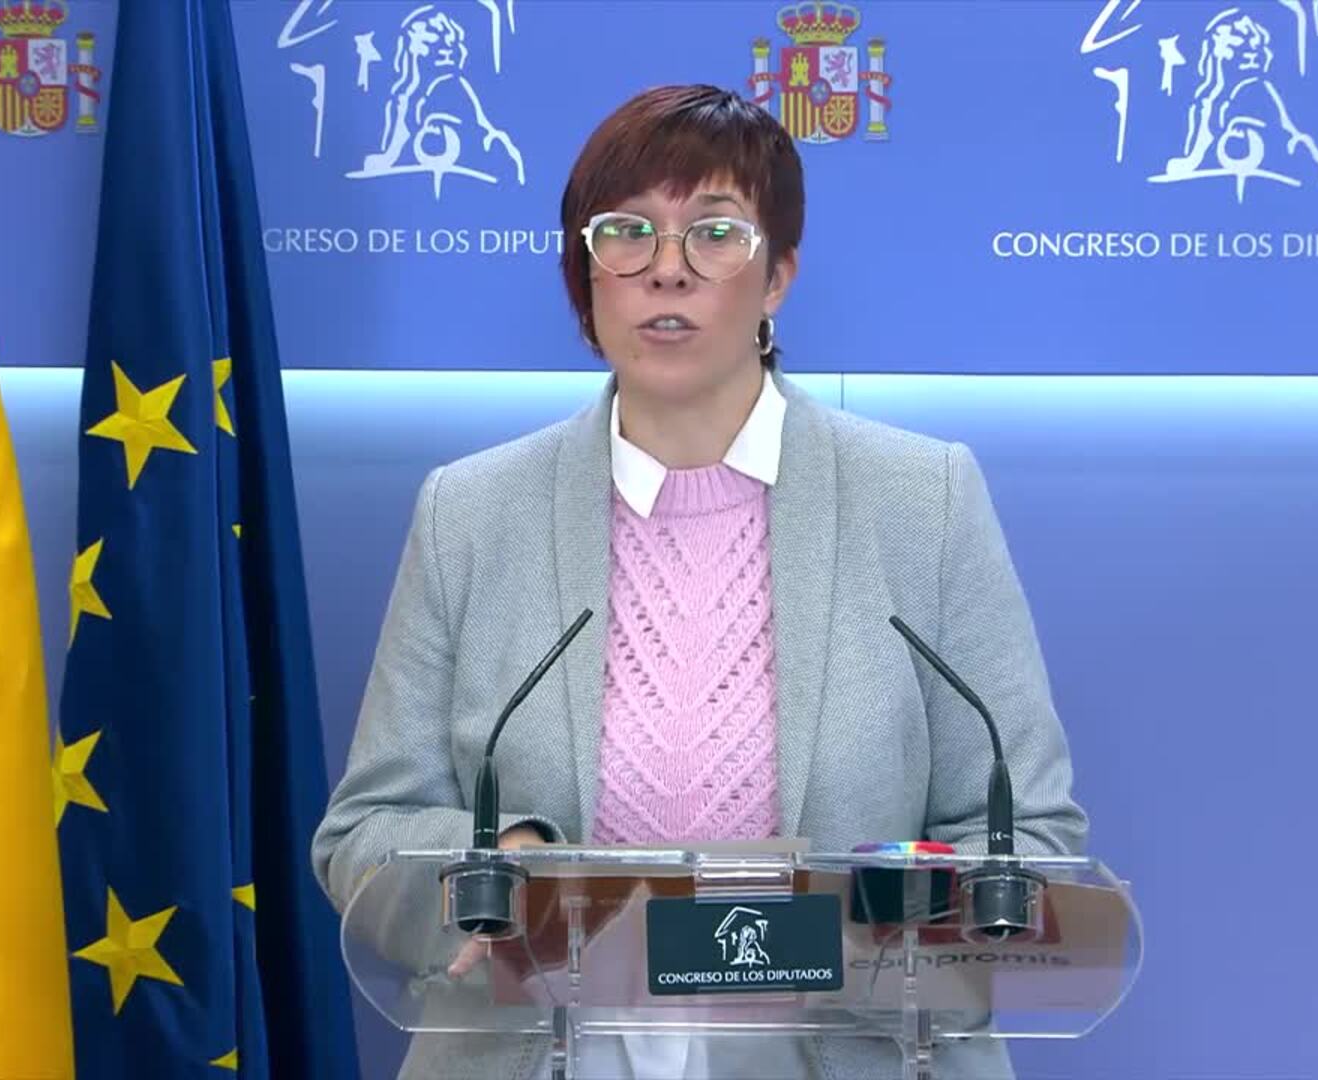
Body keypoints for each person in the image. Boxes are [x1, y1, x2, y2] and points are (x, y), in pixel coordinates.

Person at [312, 84, 1088, 1079]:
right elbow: (366, 831)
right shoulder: (471, 512)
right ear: (585, 276)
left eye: (715, 234)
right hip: (547, 1050)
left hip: (842, 1051)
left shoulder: (923, 499)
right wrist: (502, 856)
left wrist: (862, 925)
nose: (666, 269)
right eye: (625, 234)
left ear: (777, 277)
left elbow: (1026, 838)